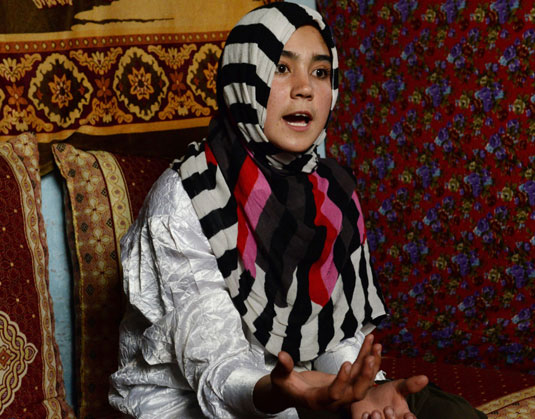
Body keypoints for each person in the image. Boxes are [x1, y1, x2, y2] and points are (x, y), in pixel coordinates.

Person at [109, 3, 485, 418]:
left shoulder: (333, 192)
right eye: (282, 68)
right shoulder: (188, 198)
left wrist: (365, 393)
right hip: (194, 404)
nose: (305, 88)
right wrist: (291, 393)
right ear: (243, 79)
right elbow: (216, 372)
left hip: (306, 394)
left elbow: (333, 335)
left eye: (320, 72)